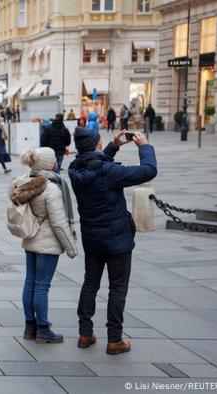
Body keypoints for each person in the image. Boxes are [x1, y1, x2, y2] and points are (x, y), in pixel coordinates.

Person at [69, 128, 157, 355]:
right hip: (117, 239)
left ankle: (85, 333)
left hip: (92, 239)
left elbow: (94, 165)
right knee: (117, 288)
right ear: (97, 145)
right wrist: (144, 146)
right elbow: (148, 170)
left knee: (90, 284)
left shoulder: (74, 169)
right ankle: (114, 339)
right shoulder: (110, 172)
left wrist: (114, 146)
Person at [9, 147, 77, 344]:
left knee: (30, 282)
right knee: (42, 285)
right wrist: (71, 248)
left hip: (31, 238)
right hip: (47, 242)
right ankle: (43, 328)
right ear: (49, 164)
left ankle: (30, 326)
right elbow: (58, 222)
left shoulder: (25, 182)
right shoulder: (51, 188)